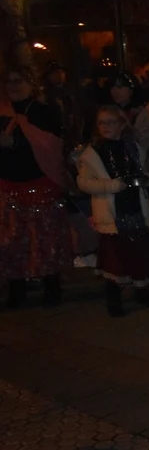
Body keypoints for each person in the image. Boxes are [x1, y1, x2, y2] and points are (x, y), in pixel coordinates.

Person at [77, 105, 149, 316]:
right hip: (112, 212)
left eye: (110, 122)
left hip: (135, 206)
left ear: (121, 124)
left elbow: (144, 171)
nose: (105, 126)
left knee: (140, 252)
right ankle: (113, 300)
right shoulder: (92, 153)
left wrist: (146, 182)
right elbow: (84, 183)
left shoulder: (133, 148)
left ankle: (142, 292)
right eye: (101, 123)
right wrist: (112, 185)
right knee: (115, 258)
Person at [0, 68, 72, 308]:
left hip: (40, 184)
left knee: (45, 240)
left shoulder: (42, 111)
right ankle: (16, 291)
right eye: (9, 81)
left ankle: (52, 289)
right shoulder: (2, 111)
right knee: (12, 241)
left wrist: (16, 143)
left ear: (30, 83)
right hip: (8, 185)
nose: (13, 85)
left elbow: (52, 145)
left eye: (18, 80)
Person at [110, 71, 149, 159]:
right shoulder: (115, 110)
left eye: (120, 87)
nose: (115, 91)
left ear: (131, 89)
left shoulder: (145, 111)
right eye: (112, 87)